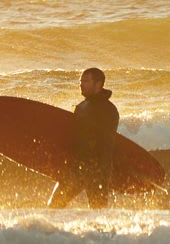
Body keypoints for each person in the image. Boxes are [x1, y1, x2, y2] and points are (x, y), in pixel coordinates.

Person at [49, 67, 119, 209]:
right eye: (81, 81)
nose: (81, 84)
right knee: (55, 203)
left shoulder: (108, 110)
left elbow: (107, 142)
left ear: (98, 84)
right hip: (77, 166)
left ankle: (98, 232)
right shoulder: (82, 106)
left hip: (97, 168)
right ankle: (56, 232)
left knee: (97, 209)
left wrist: (100, 168)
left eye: (86, 81)